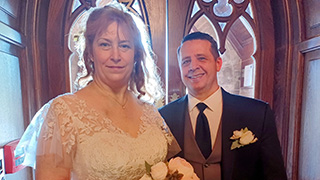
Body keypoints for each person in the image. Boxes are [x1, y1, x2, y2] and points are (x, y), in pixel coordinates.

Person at [16, 3, 179, 180]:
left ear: (136, 54)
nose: (115, 55)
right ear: (91, 53)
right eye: (105, 45)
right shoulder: (63, 113)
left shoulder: (150, 111)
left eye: (124, 46)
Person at [159, 32, 288, 180]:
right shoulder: (164, 117)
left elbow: (274, 175)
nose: (193, 66)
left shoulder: (257, 114)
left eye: (201, 58)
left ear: (218, 63)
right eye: (186, 61)